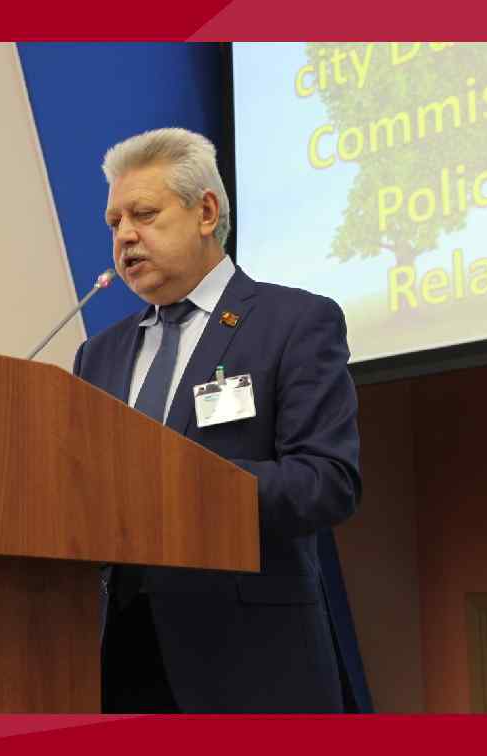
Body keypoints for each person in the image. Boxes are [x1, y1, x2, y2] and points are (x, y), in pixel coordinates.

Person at [72, 128, 361, 713]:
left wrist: (179, 481)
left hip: (248, 665)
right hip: (114, 659)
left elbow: (327, 482)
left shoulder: (293, 322)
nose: (124, 235)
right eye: (114, 222)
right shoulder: (97, 354)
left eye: (144, 214)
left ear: (205, 212)